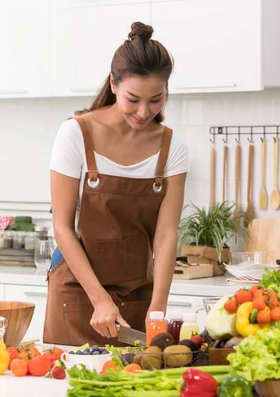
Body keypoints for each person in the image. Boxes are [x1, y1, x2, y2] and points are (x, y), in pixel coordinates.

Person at [43, 22, 189, 347]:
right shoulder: (76, 134)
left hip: (139, 293)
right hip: (78, 291)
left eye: (156, 100)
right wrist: (98, 298)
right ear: (113, 83)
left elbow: (166, 235)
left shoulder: (173, 149)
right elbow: (63, 227)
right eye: (133, 99)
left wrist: (158, 311)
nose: (143, 112)